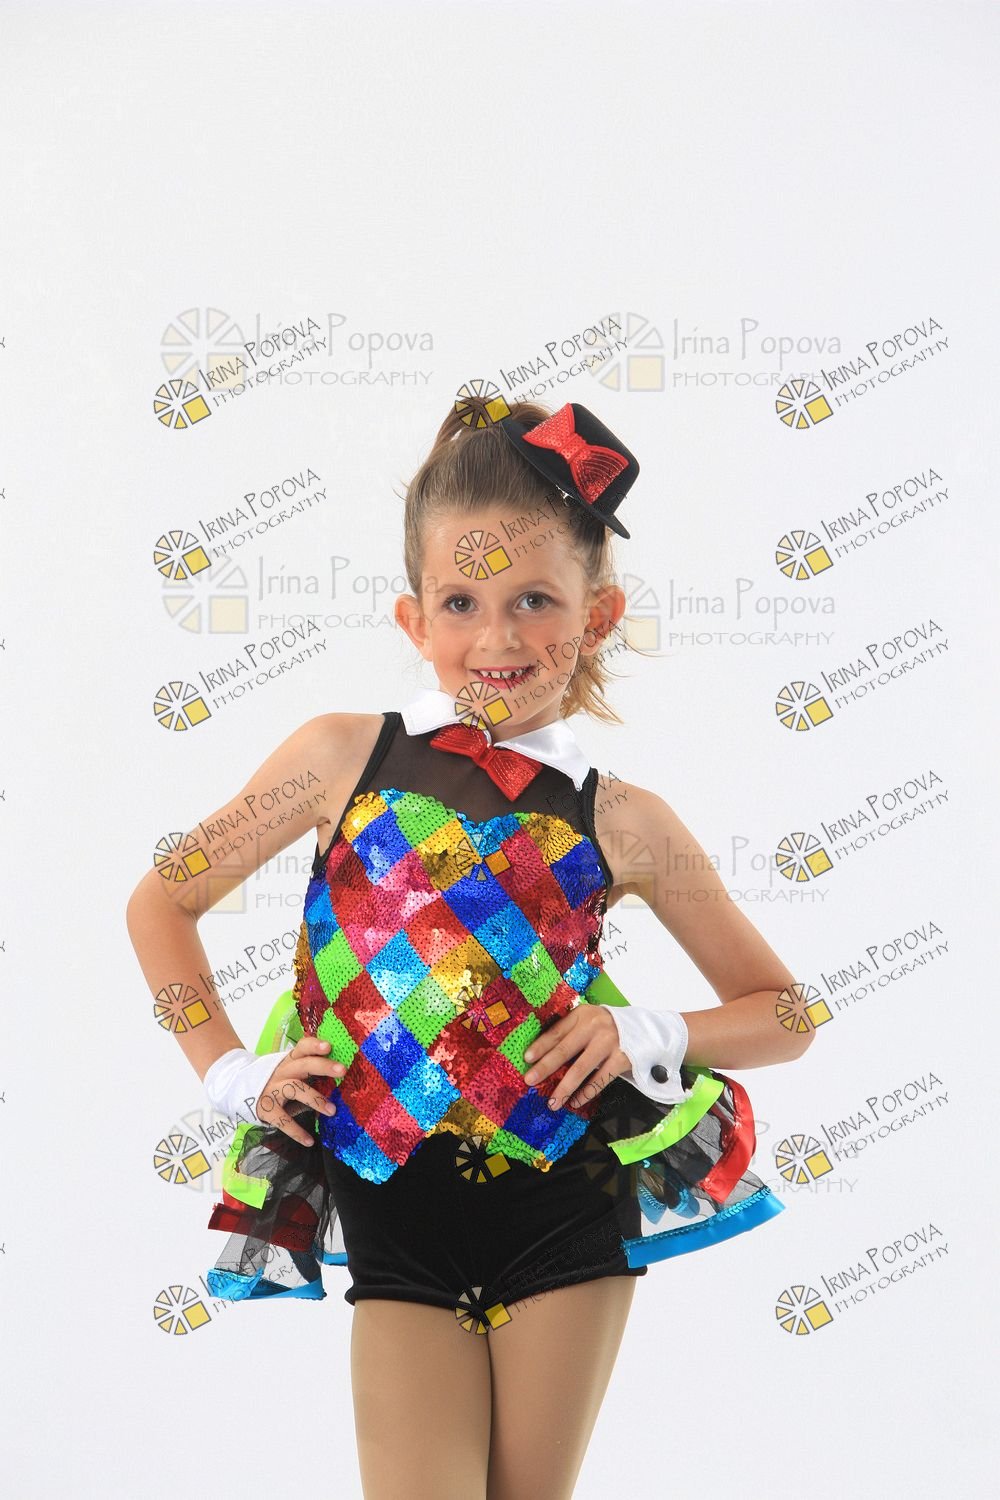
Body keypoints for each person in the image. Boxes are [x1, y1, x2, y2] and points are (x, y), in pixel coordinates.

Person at [126, 397, 812, 1500]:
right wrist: (228, 1073)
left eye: (534, 600)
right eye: (461, 603)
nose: (497, 639)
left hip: (564, 1201)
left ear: (598, 615)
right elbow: (160, 903)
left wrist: (644, 1030)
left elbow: (785, 1015)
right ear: (413, 618)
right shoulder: (337, 758)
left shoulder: (624, 818)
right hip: (392, 1203)